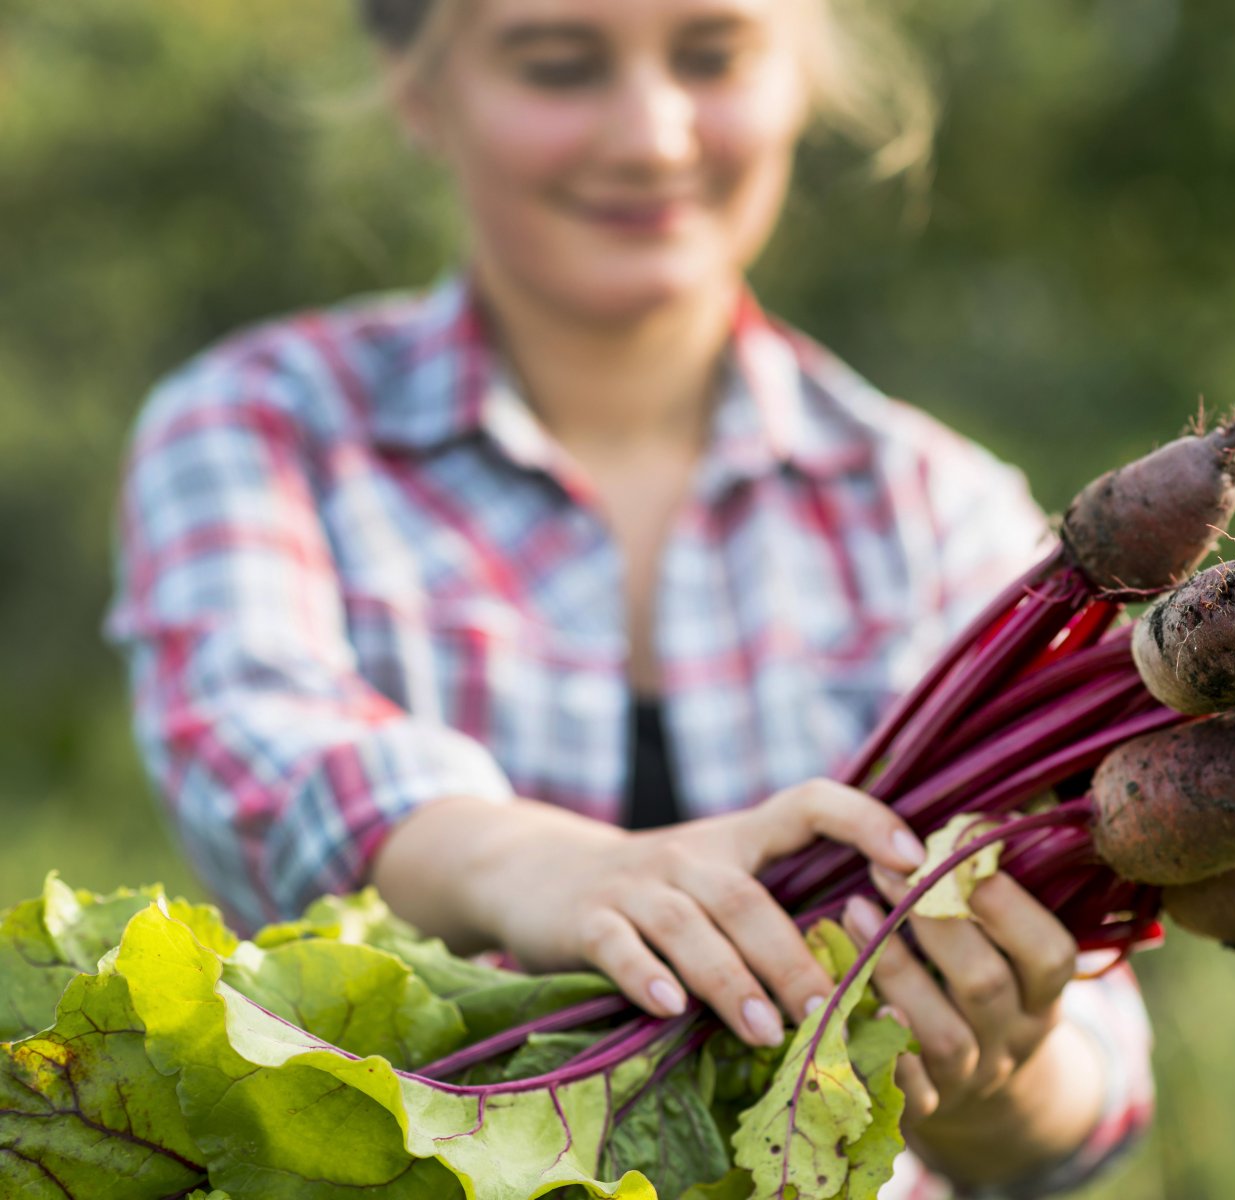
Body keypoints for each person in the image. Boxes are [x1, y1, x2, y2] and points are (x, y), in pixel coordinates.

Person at [106, 1, 1153, 1195]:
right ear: (417, 90)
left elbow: (1095, 1078)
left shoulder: (938, 508)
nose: (652, 136)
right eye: (558, 66)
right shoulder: (258, 426)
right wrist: (536, 866)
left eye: (712, 57)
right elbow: (256, 736)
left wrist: (995, 1081)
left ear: (800, 73)